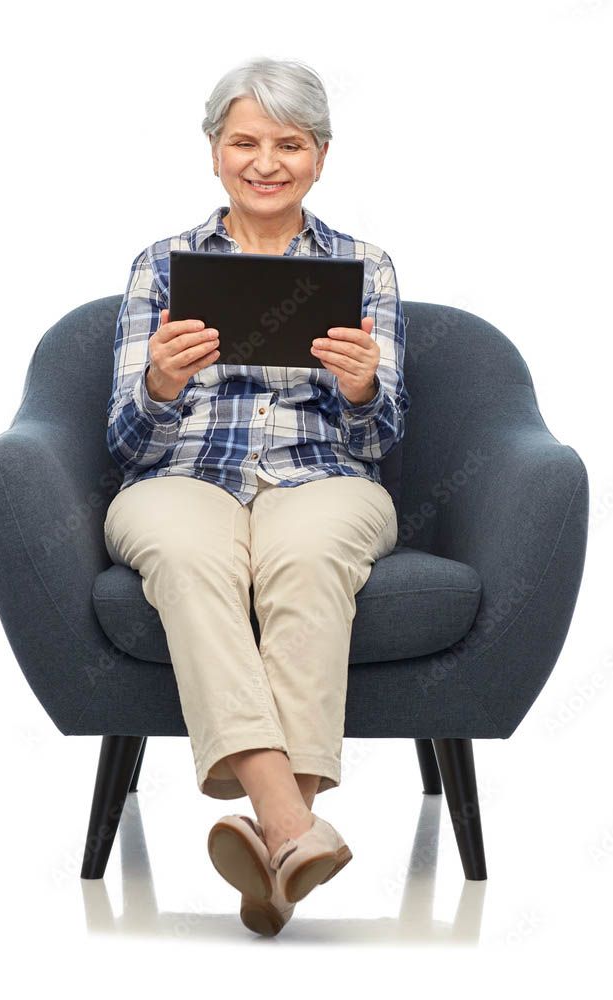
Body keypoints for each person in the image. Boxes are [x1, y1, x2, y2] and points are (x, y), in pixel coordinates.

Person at [104, 56, 410, 935]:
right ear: (213, 152)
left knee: (308, 557)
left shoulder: (366, 268)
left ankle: (267, 849)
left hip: (324, 477)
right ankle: (291, 825)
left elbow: (383, 442)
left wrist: (360, 394)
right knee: (190, 554)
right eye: (244, 141)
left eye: (289, 144)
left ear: (320, 156)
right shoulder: (162, 266)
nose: (265, 161)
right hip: (180, 477)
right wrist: (158, 384)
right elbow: (123, 444)